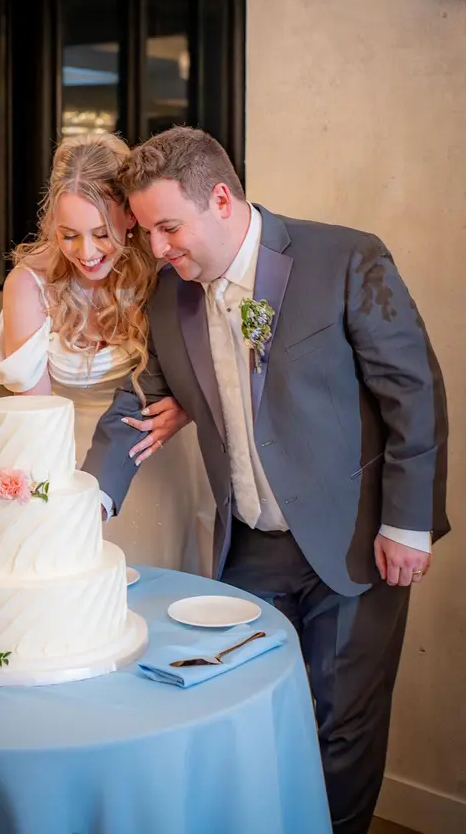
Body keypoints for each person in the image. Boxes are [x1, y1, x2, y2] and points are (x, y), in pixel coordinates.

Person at [81, 126, 449, 834]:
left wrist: (407, 523)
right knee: (238, 707)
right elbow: (139, 400)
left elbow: (413, 392)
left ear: (220, 199)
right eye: (147, 231)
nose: (156, 247)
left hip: (354, 541)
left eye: (168, 227)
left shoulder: (344, 258)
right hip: (248, 545)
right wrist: (87, 500)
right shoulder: (169, 295)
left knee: (343, 725)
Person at [0, 131, 215, 575]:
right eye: (69, 235)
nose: (86, 253)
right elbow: (35, 413)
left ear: (130, 216)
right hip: (66, 462)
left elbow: (208, 363)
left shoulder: (164, 271)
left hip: (158, 455)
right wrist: (50, 495)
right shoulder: (29, 286)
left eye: (101, 233)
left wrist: (186, 408)